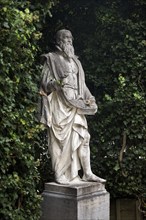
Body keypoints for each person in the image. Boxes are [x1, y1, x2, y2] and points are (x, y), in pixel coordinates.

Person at [39, 29, 106, 184]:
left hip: (76, 104)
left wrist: (90, 98)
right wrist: (55, 84)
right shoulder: (51, 59)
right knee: (60, 141)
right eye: (65, 38)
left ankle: (87, 173)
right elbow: (44, 84)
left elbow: (82, 85)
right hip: (59, 106)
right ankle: (60, 173)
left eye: (70, 38)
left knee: (84, 137)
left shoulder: (76, 61)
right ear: (58, 41)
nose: (69, 40)